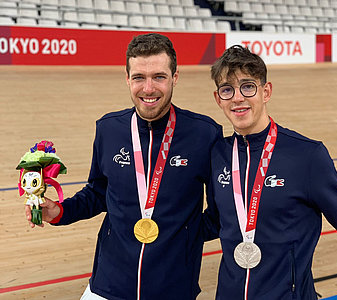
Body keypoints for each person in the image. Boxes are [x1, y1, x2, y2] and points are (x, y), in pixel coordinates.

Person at [25, 33, 222, 300]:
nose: (148, 88)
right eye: (139, 77)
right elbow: (97, 193)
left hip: (173, 288)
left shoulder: (205, 134)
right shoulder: (108, 128)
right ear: (127, 79)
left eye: (159, 77)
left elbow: (221, 213)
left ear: (175, 78)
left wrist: (183, 239)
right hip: (108, 284)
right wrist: (60, 211)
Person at [203, 45, 337, 299]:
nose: (238, 98)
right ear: (218, 99)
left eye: (248, 86)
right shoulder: (218, 155)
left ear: (266, 91)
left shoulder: (307, 156)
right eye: (227, 90)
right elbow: (215, 222)